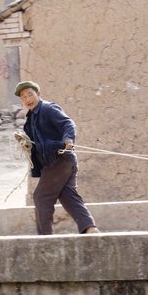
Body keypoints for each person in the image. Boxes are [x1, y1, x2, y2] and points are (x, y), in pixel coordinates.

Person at [15, 80, 99, 235]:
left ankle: (44, 238)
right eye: (23, 97)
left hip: (59, 159)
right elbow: (37, 143)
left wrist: (68, 139)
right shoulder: (31, 119)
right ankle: (90, 228)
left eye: (30, 94)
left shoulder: (48, 109)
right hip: (62, 162)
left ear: (38, 95)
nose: (27, 99)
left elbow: (68, 123)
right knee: (68, 196)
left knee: (41, 196)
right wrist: (25, 141)